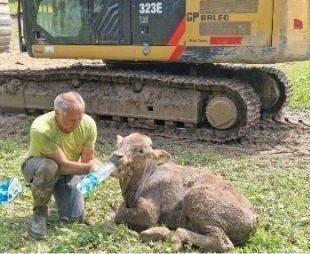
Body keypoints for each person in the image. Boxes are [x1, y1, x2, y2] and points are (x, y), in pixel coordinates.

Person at [21, 91, 102, 239]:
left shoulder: (88, 124)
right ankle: (40, 212)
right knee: (50, 167)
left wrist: (100, 167)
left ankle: (61, 189)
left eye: (80, 118)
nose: (77, 124)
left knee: (73, 218)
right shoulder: (41, 128)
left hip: (68, 171)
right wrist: (93, 168)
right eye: (72, 120)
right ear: (57, 113)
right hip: (37, 166)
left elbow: (87, 160)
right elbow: (63, 165)